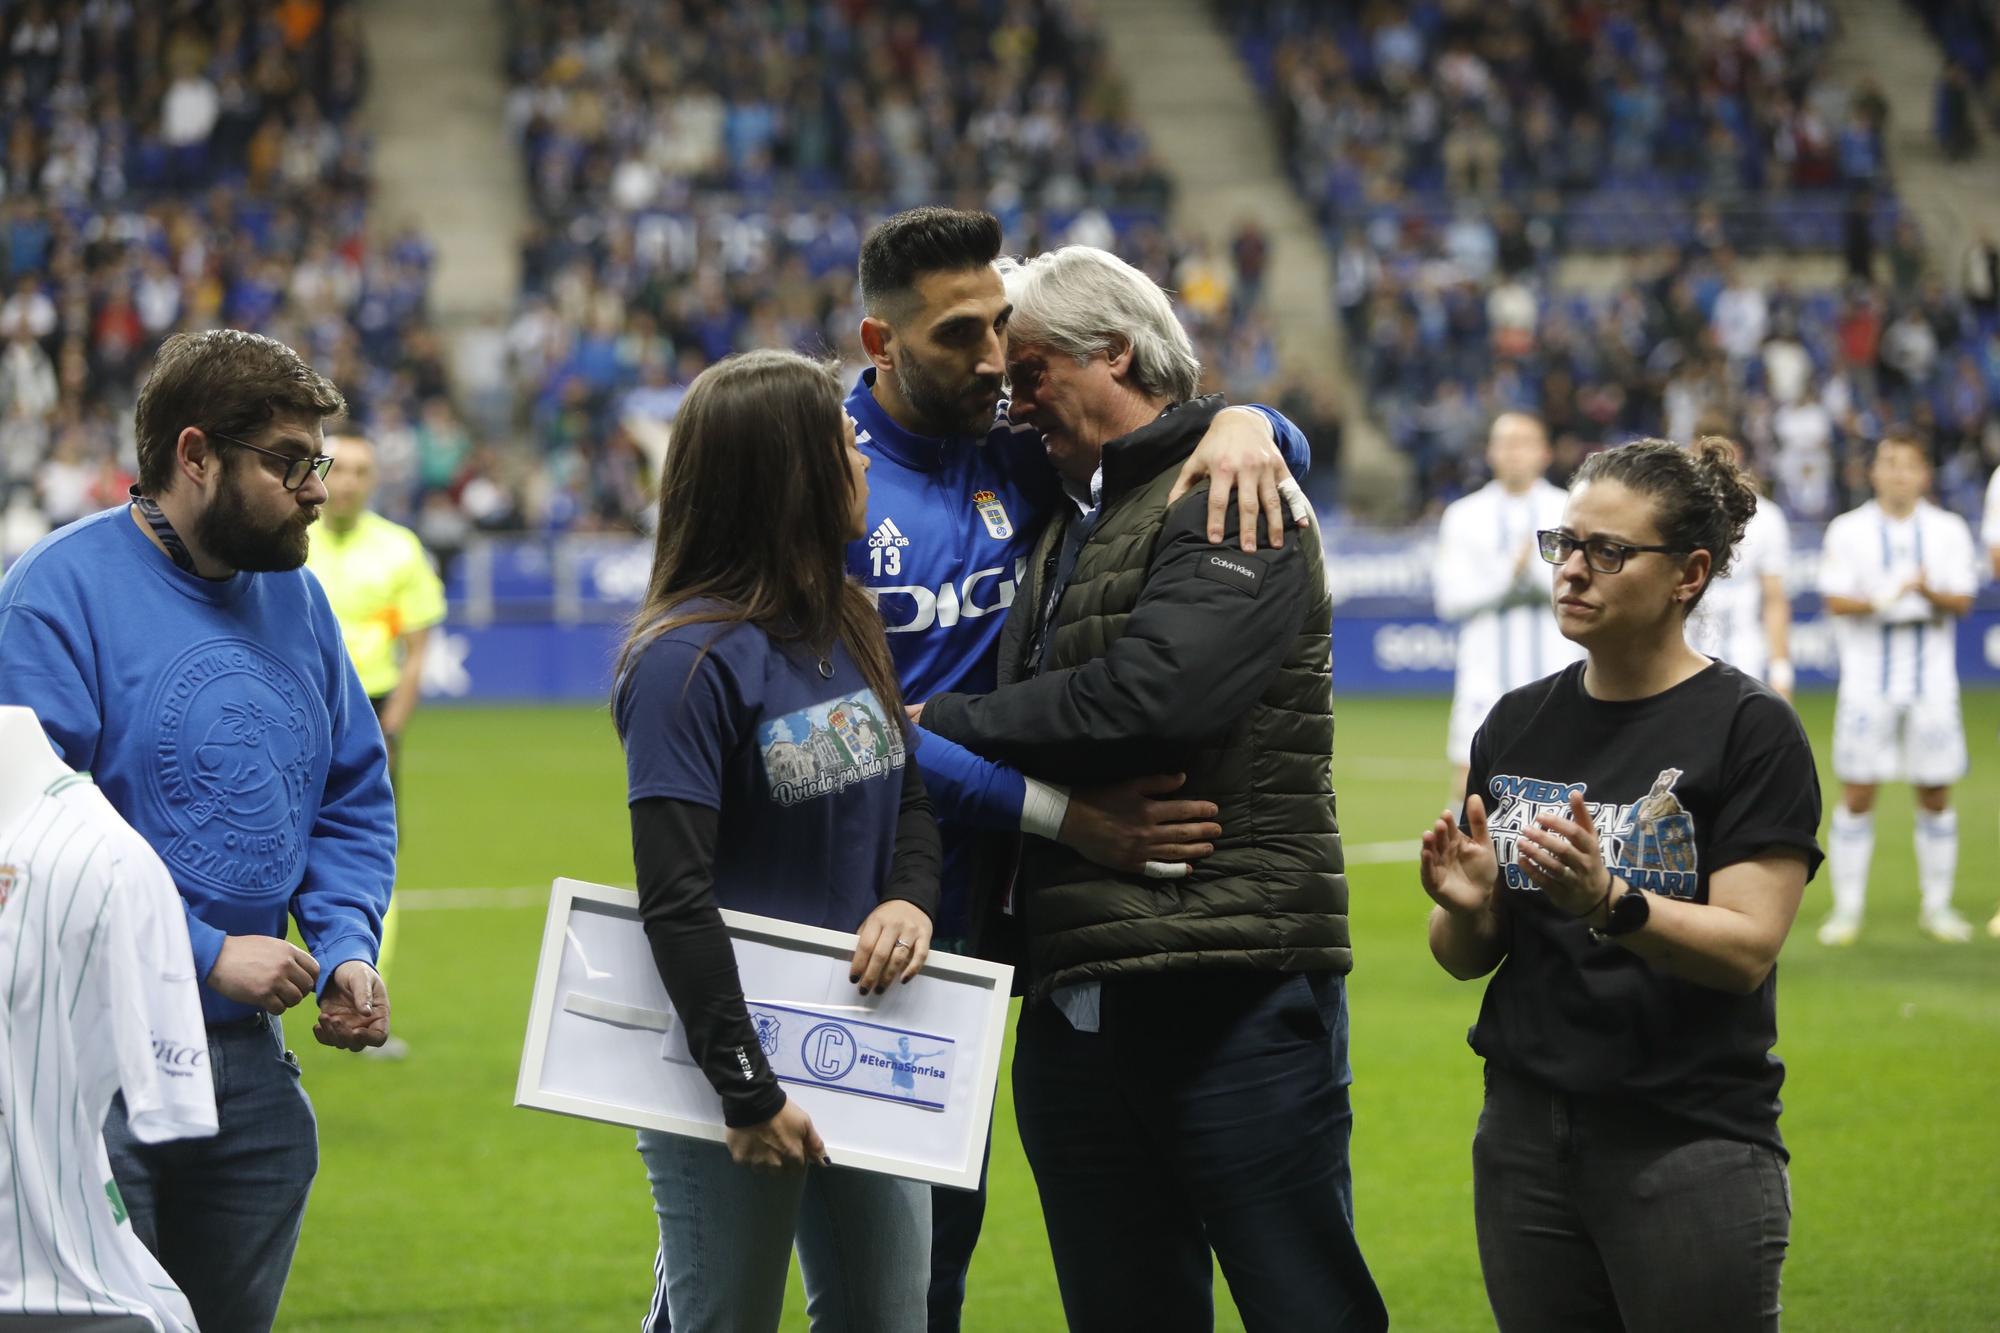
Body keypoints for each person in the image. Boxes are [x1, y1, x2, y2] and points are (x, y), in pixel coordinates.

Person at [641, 205, 1316, 1333]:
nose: (996, 358)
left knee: (922, 1261)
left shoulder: (1023, 451)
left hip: (967, 929)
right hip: (821, 912)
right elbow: (870, 733)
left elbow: (1180, 426)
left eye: (1003, 326)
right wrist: (1062, 817)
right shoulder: (824, 483)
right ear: (879, 344)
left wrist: (1248, 420)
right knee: (729, 1273)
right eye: (959, 334)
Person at [916, 246, 1385, 1332]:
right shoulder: (1074, 511)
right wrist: (1248, 413)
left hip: (1227, 985)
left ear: (1113, 352)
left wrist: (940, 722)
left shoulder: (1231, 489)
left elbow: (1150, 702)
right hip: (1080, 996)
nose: (1009, 398)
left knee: (1303, 1305)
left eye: (1028, 370)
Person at [0, 328, 397, 1332]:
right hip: (87, 1064)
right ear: (194, 455)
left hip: (248, 1070)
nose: (316, 487)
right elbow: (31, 852)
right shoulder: (55, 596)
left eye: (318, 462)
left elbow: (350, 792)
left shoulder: (298, 600)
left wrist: (346, 941)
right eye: (289, 462)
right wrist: (207, 954)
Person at [1420, 437, 1821, 1333]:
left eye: (1608, 551)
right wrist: (1471, 905)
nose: (1572, 570)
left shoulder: (1750, 731)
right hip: (1525, 1136)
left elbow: (1748, 949)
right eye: (1563, 543)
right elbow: (1465, 958)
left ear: (1690, 574)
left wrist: (1610, 902)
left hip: (1687, 1138)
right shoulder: (1517, 722)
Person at [615, 349, 942, 1333]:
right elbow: (674, 895)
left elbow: (911, 799)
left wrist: (909, 898)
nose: (864, 456)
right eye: (845, 439)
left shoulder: (851, 619)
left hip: (868, 1043)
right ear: (788, 467)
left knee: (887, 1317)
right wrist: (745, 1089)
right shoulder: (686, 657)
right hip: (728, 1068)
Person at [306, 424, 448, 1057]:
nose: (350, 483)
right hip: (298, 714)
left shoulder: (399, 550)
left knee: (369, 854)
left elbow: (418, 649)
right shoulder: (291, 542)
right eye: (341, 470)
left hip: (373, 715)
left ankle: (363, 991)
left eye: (363, 472)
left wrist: (394, 725)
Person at [1817, 433, 1979, 945]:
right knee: (1859, 791)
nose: (1899, 474)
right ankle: (1847, 910)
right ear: (1874, 473)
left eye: (1909, 465)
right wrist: (1889, 597)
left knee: (1935, 791)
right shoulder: (1849, 531)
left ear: (1924, 475)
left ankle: (1938, 907)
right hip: (1868, 683)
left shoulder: (1948, 530)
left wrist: (1924, 590)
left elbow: (1963, 601)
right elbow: (1838, 601)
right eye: (1889, 463)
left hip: (1932, 684)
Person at [1434, 412, 1581, 799]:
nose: (1513, 452)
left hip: (1559, 671)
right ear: (1490, 452)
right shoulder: (1463, 515)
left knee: (1568, 781)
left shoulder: (1570, 510)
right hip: (1484, 677)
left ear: (1544, 452)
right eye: (1505, 442)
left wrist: (1528, 574)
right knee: (1470, 781)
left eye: (1523, 442)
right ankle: (1467, 859)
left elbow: (1586, 588)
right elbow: (1450, 600)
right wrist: (1508, 577)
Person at [1684, 437, 1793, 695]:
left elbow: (1774, 598)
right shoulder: (1674, 512)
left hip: (1745, 655)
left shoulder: (1767, 517)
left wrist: (1781, 670)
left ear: (1735, 454)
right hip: (1684, 654)